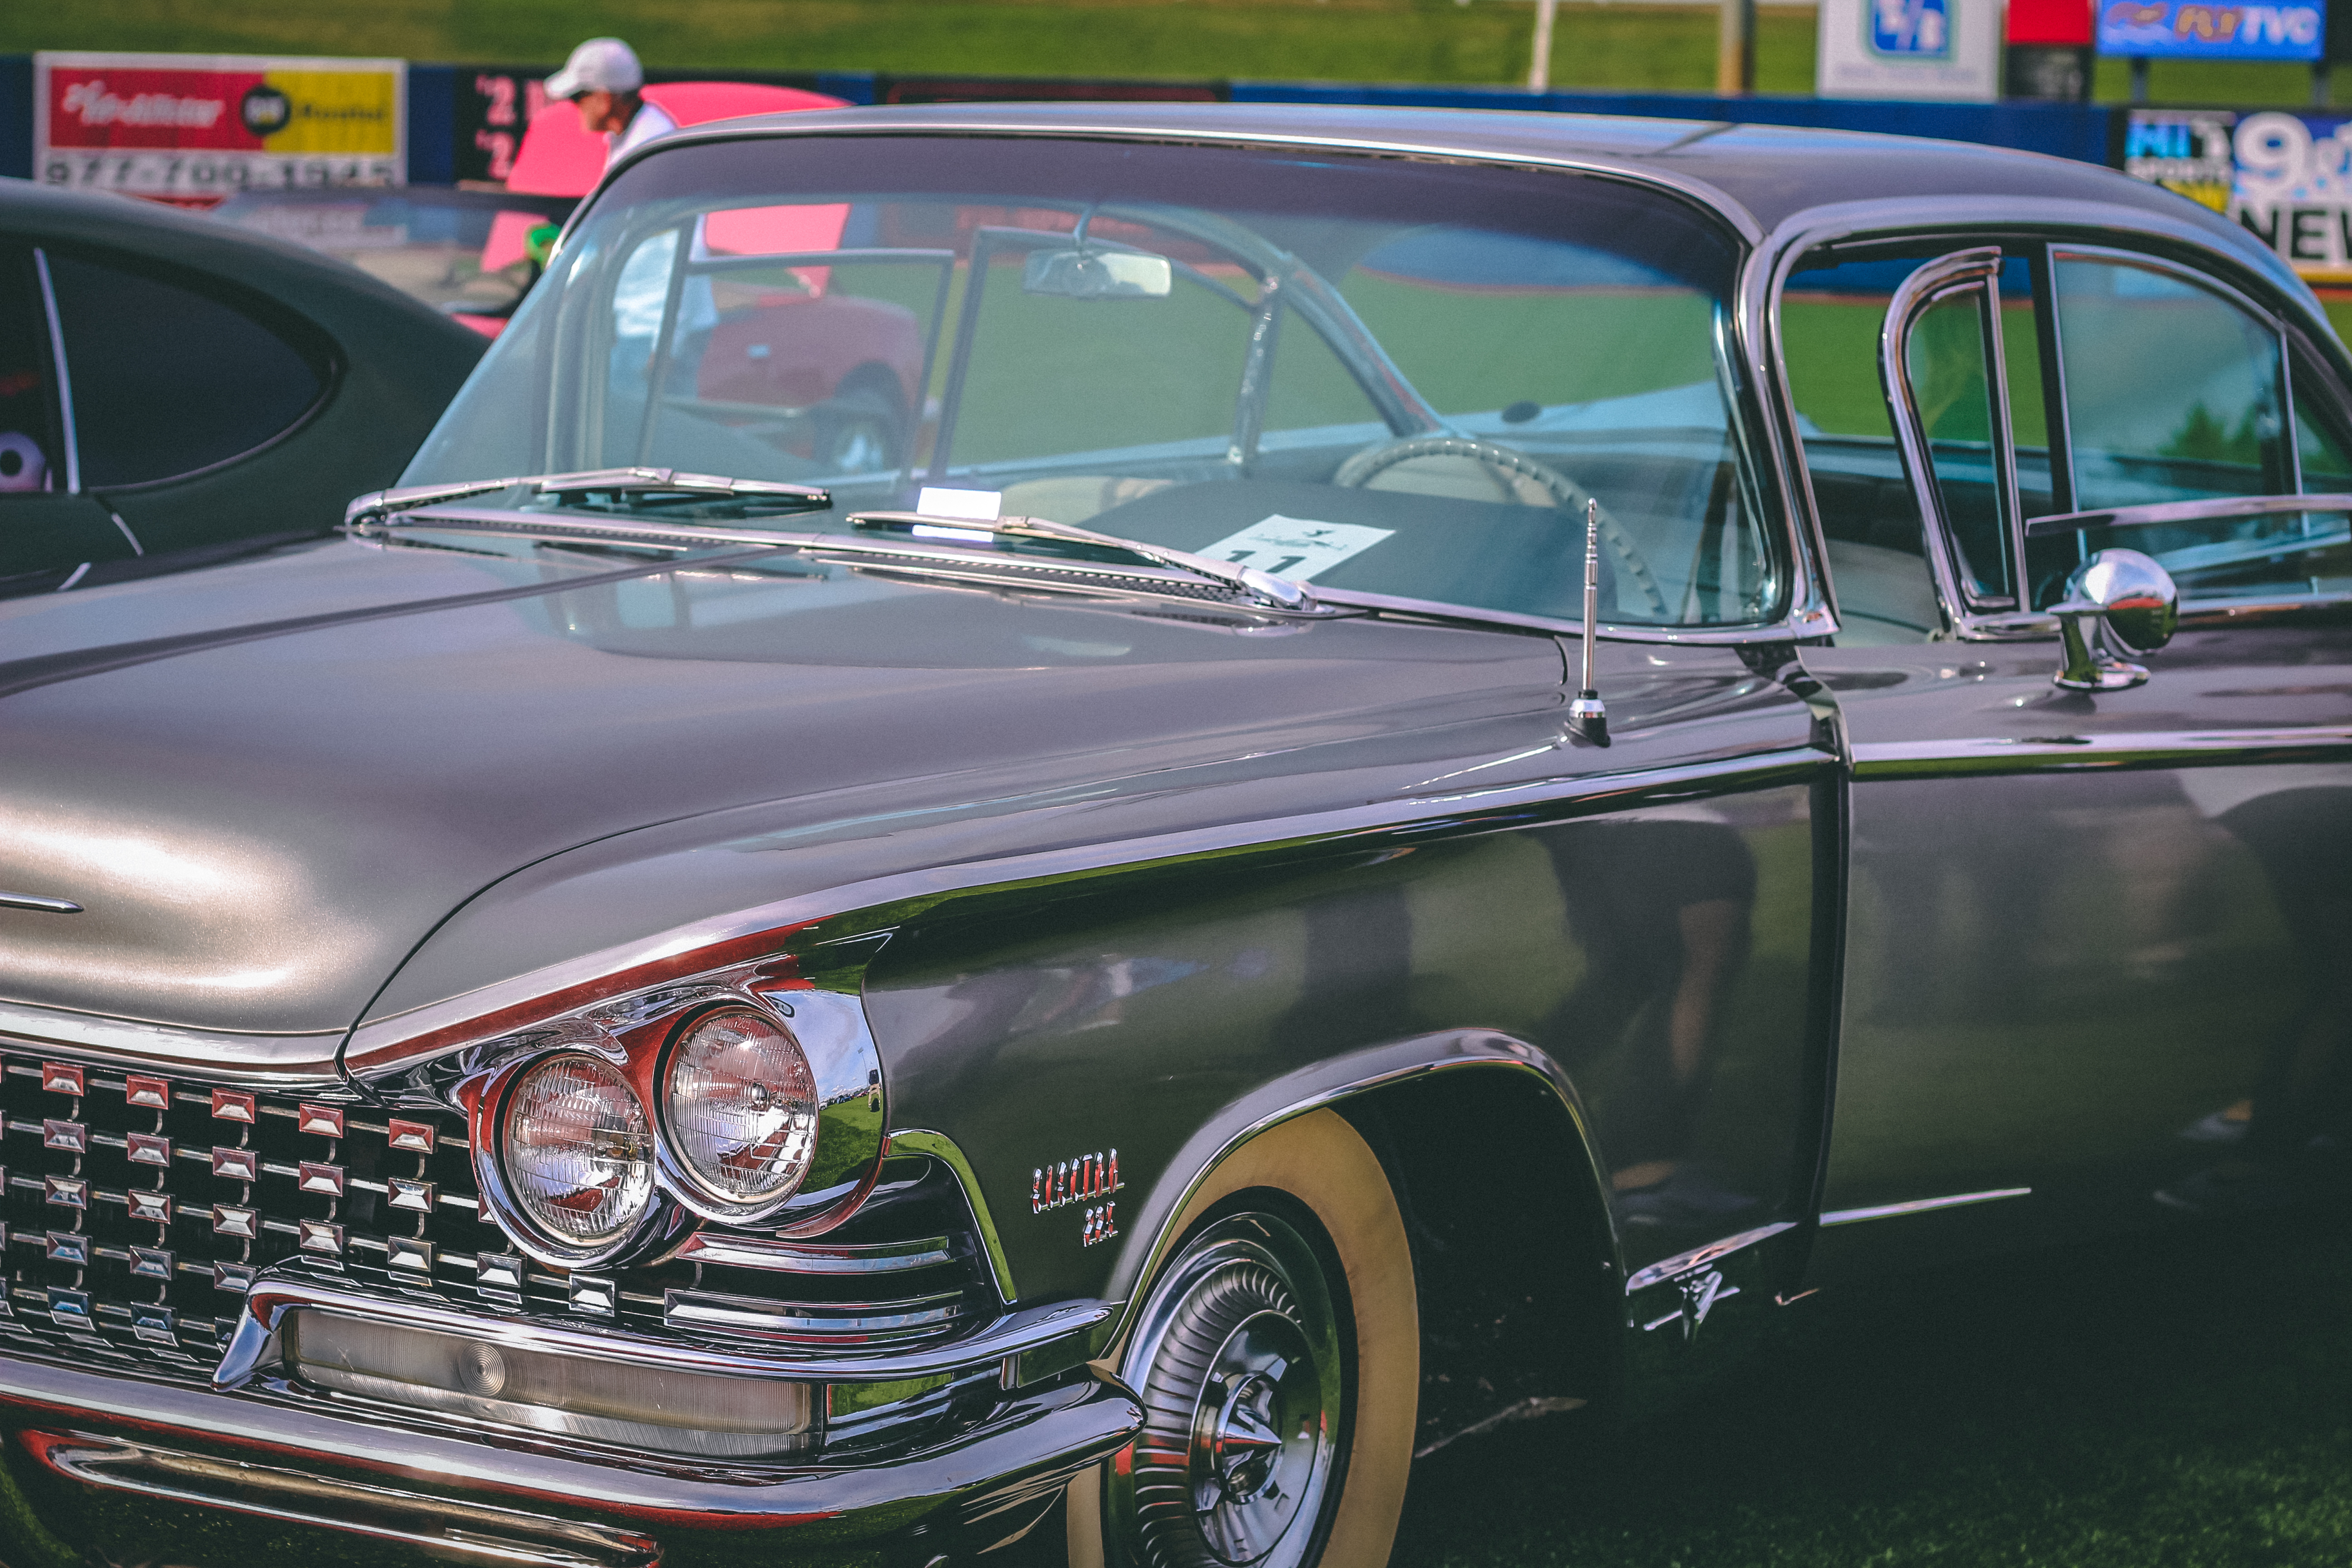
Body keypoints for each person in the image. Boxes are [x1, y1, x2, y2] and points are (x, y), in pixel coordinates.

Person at [545, 37, 677, 168]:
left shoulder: (648, 143)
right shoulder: (633, 133)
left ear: (604, 99)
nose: (574, 105)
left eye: (576, 97)